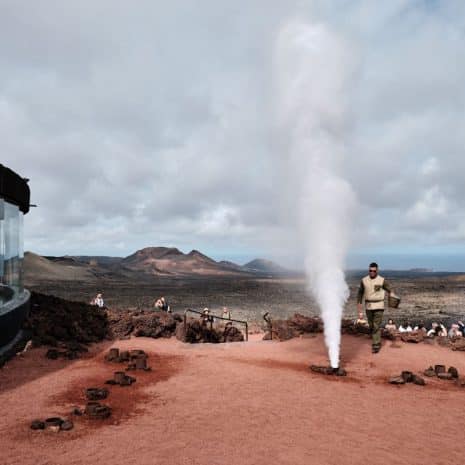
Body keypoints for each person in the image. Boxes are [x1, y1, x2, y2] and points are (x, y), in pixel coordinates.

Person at [357, 262, 395, 354]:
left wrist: (392, 296)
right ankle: (375, 339)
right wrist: (359, 308)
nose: (372, 272)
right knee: (371, 325)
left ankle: (376, 344)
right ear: (368, 270)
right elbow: (360, 294)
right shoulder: (364, 280)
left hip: (379, 306)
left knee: (376, 325)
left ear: (377, 270)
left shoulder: (382, 280)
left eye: (374, 271)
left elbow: (390, 289)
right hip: (368, 306)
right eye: (370, 270)